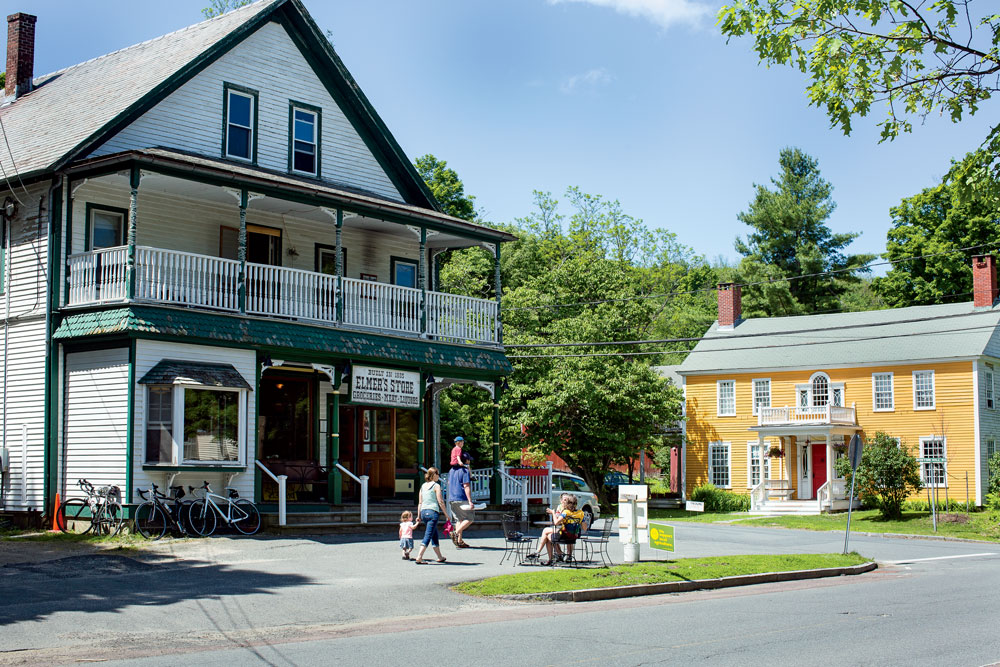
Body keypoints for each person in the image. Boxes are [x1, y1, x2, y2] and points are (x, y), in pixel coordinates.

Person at [527, 494, 584, 566]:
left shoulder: (565, 512)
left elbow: (556, 523)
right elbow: (584, 528)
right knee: (548, 533)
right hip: (574, 536)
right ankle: (558, 555)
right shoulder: (581, 513)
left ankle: (550, 556)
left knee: (547, 534)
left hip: (564, 536)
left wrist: (553, 513)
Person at [413, 467, 448, 564]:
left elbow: (420, 503)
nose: (438, 476)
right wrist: (446, 515)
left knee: (434, 534)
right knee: (428, 535)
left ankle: (440, 557)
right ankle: (419, 557)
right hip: (433, 512)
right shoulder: (436, 486)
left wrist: (418, 515)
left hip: (424, 512)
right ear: (434, 475)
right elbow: (440, 501)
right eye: (438, 474)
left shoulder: (423, 486)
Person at [447, 451, 475, 548]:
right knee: (470, 518)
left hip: (452, 498)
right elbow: (466, 485)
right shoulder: (464, 471)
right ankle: (455, 533)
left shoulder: (451, 470)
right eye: (468, 460)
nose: (469, 462)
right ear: (466, 460)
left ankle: (459, 541)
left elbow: (449, 483)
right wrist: (470, 501)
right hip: (461, 497)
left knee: (459, 519)